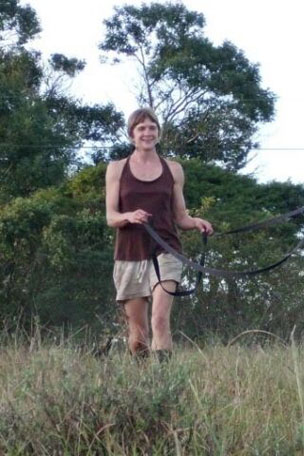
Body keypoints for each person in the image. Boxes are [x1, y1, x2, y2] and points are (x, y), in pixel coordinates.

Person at [105, 107, 213, 360]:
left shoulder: (173, 169)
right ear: (132, 134)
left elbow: (181, 217)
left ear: (159, 133)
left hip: (166, 250)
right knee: (138, 335)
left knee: (160, 319)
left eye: (152, 127)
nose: (147, 132)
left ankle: (163, 381)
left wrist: (196, 222)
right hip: (129, 253)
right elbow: (111, 217)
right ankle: (144, 386)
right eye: (141, 128)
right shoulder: (116, 169)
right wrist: (128, 216)